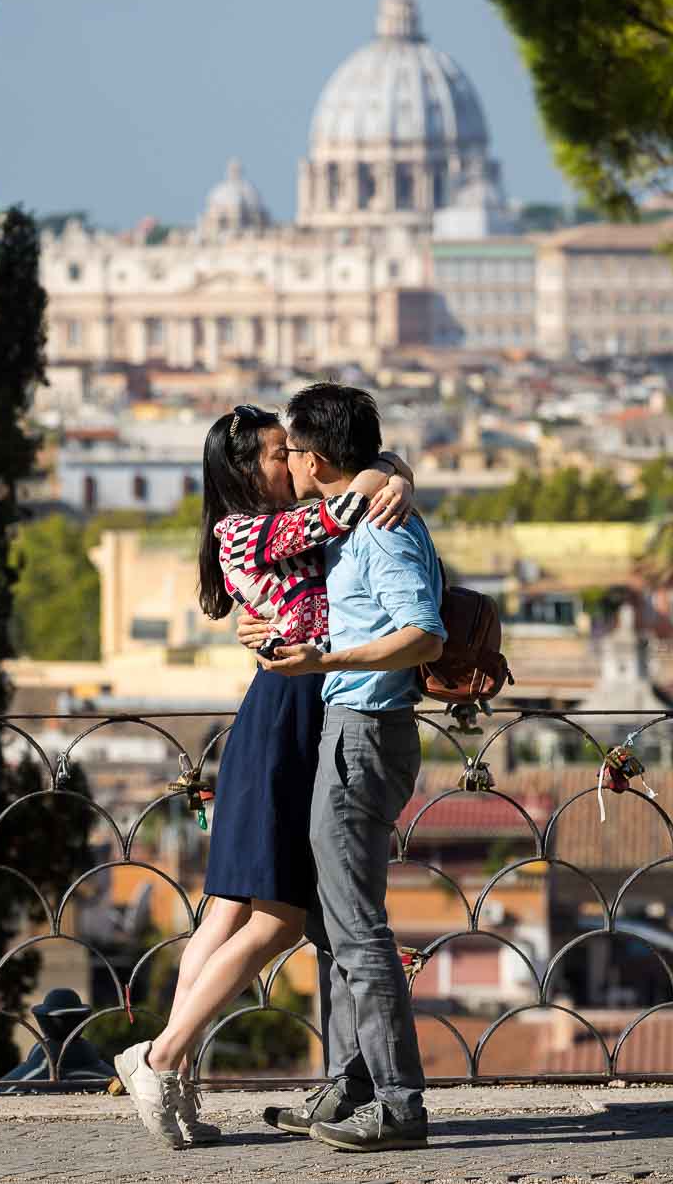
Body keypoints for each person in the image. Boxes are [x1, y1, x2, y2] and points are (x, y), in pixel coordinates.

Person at [114, 402, 413, 1149]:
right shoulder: (245, 528)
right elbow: (342, 507)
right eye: (283, 452)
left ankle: (173, 1083)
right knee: (274, 916)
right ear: (249, 469)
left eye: (297, 450)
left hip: (295, 711)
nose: (297, 461)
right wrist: (388, 472)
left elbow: (344, 503)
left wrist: (393, 474)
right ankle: (161, 1058)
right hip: (289, 717)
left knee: (224, 913)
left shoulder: (278, 519)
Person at [238, 383, 445, 1153]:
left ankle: (399, 1104)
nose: (282, 461)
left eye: (289, 450)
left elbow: (422, 634)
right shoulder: (359, 510)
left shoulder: (382, 532)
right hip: (346, 727)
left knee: (357, 927)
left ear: (317, 458)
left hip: (367, 732)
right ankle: (351, 1085)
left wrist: (325, 659)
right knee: (330, 921)